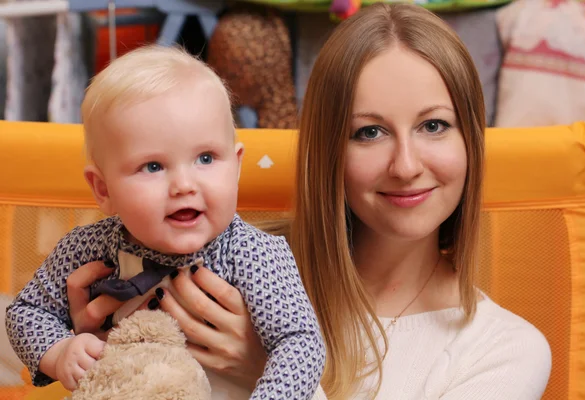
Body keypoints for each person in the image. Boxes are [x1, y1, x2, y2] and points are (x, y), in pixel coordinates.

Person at [63, 3, 552, 399]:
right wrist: (86, 340)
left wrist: (267, 369)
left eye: (434, 125)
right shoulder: (229, 270)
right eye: (370, 131)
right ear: (327, 150)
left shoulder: (507, 351)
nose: (405, 165)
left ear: (472, 142)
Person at [4, 45, 326, 400]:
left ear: (236, 167)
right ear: (103, 188)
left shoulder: (253, 253)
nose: (184, 186)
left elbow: (301, 343)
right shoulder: (89, 247)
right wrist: (59, 350)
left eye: (206, 158)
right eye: (153, 166)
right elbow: (26, 311)